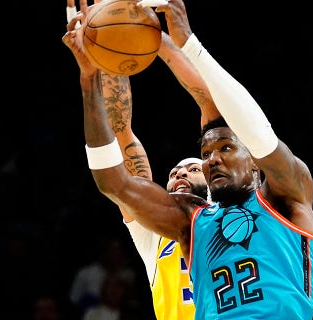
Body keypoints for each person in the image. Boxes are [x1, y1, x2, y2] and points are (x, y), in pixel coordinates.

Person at [62, 0, 313, 318]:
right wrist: (90, 77)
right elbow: (114, 181)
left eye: (225, 150)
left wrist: (173, 41)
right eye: (205, 154)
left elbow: (248, 126)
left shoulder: (287, 195)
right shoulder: (188, 223)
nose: (211, 159)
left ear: (254, 161)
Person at [64, 1, 219, 319]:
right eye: (175, 171)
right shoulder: (154, 235)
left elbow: (209, 100)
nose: (179, 174)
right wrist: (103, 59)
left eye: (192, 169)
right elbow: (122, 136)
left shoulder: (236, 214)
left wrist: (162, 41)